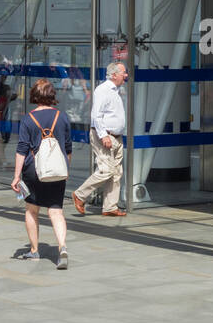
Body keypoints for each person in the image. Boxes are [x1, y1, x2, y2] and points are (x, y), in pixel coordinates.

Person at [12, 79, 73, 269]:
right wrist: (66, 170)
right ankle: (62, 247)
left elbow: (22, 149)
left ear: (34, 95)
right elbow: (68, 147)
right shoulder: (62, 117)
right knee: (56, 211)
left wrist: (16, 176)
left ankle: (34, 250)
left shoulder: (28, 119)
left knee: (32, 210)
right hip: (56, 171)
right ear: (52, 95)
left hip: (33, 171)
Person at [71, 62, 128, 218]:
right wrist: (103, 135)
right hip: (105, 136)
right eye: (124, 72)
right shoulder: (103, 90)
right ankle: (80, 195)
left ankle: (110, 206)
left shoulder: (117, 90)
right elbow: (96, 115)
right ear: (114, 74)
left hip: (116, 136)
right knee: (106, 170)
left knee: (116, 173)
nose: (126, 75)